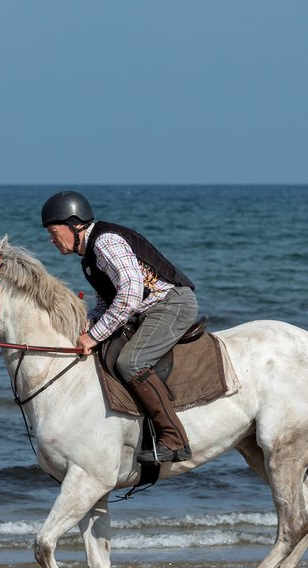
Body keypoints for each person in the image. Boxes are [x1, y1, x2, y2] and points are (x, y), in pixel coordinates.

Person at [41, 190, 198, 463]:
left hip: (171, 305)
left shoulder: (106, 242)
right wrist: (85, 327)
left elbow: (130, 293)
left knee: (131, 363)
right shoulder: (89, 258)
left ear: (74, 224)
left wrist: (94, 335)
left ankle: (174, 440)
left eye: (54, 231)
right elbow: (106, 302)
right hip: (148, 310)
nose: (51, 239)